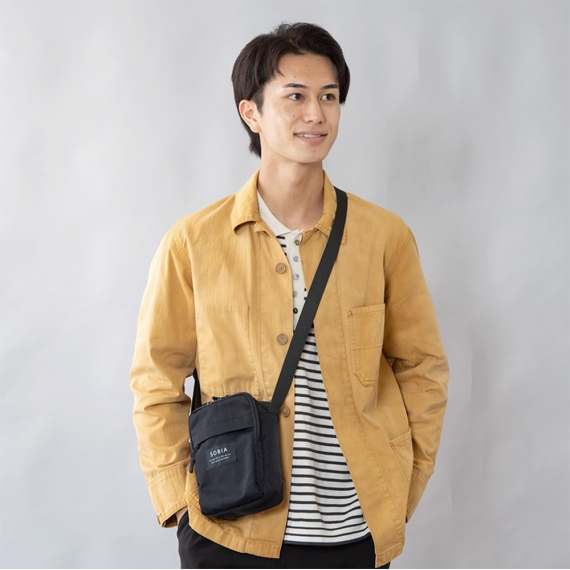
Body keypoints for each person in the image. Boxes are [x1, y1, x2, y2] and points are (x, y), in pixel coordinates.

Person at [130, 22, 449, 569]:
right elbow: (155, 381)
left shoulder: (383, 237)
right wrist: (181, 505)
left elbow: (422, 366)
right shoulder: (193, 243)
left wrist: (404, 481)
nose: (316, 114)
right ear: (251, 113)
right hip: (230, 530)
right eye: (295, 96)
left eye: (329, 97)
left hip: (355, 531)